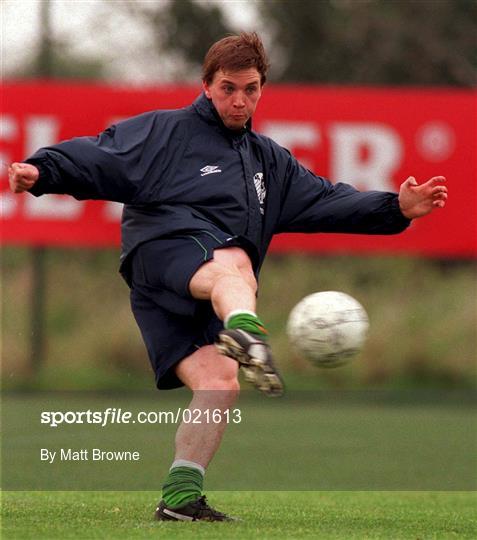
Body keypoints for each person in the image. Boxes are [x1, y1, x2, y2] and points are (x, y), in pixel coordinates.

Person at [8, 32, 447, 522]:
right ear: (206, 85)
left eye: (251, 89)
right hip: (162, 252)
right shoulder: (166, 133)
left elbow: (328, 199)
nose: (239, 99)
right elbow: (98, 154)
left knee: (220, 381)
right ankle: (247, 328)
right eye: (228, 88)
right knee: (235, 263)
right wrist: (42, 172)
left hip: (184, 293)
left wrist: (396, 208)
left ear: (262, 88)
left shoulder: (268, 162)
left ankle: (180, 498)